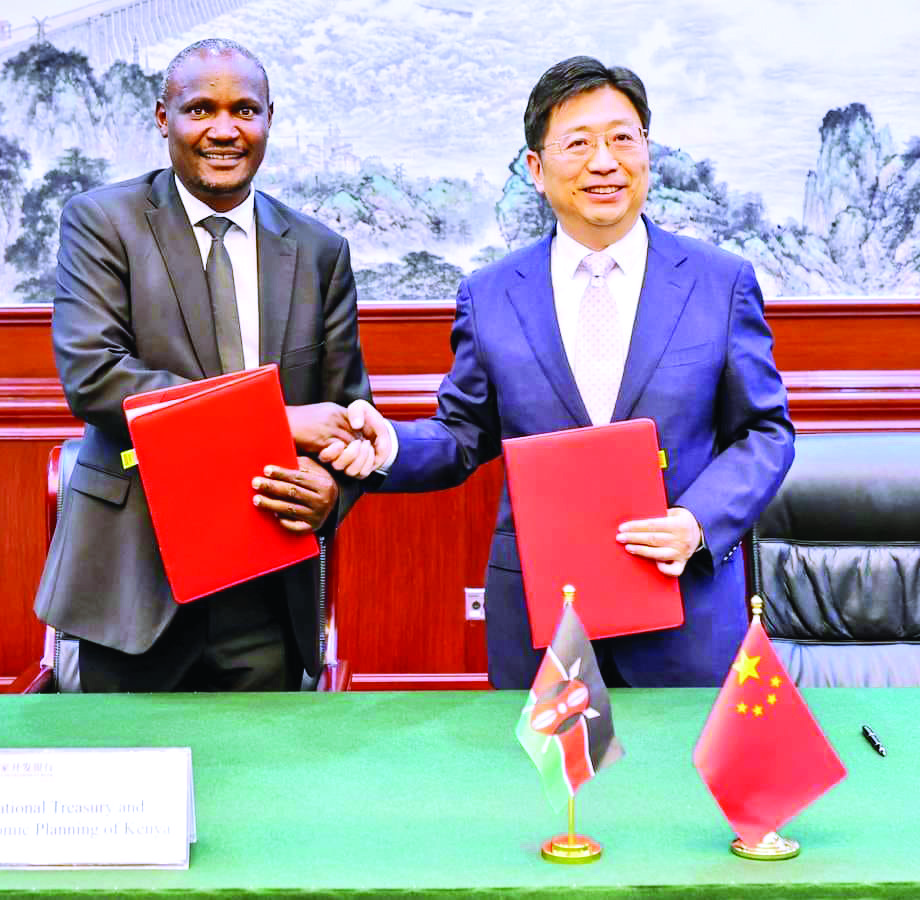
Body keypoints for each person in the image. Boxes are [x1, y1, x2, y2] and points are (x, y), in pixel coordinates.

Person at [322, 56, 795, 689]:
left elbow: (765, 432)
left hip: (685, 618)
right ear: (537, 170)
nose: (605, 162)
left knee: (678, 790)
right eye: (579, 144)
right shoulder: (491, 295)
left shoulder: (720, 282)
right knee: (547, 792)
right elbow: (464, 434)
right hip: (544, 624)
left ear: (647, 152)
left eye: (622, 139)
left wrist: (699, 524)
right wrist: (390, 446)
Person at [34, 39, 373, 693]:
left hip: (266, 591)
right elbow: (96, 379)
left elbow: (345, 414)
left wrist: (333, 494)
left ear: (270, 117)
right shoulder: (102, 222)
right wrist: (277, 418)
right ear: (164, 118)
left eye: (245, 109)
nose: (224, 129)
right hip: (132, 584)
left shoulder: (319, 250)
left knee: (262, 792)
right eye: (200, 109)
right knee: (125, 788)